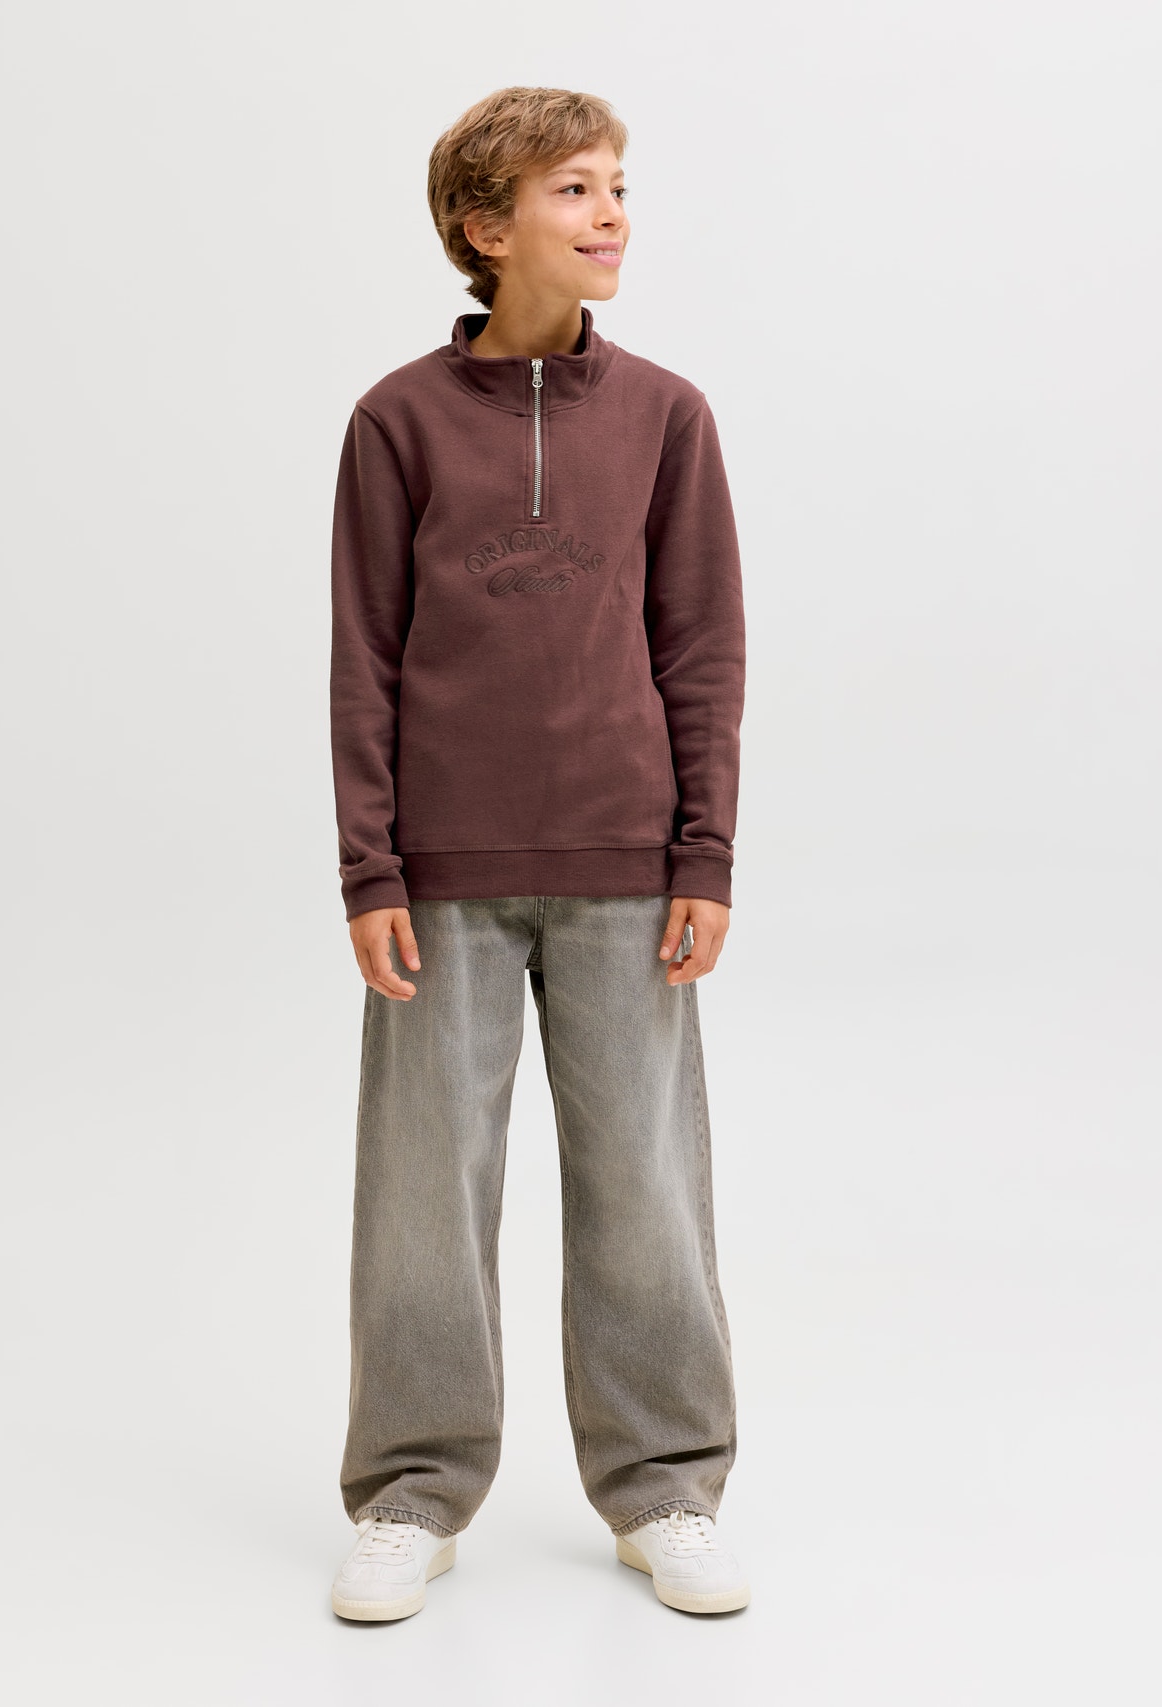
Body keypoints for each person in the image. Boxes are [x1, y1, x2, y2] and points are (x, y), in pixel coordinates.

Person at [328, 86, 749, 1621]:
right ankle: (411, 1494)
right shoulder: (396, 421)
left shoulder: (667, 417)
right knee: (424, 1194)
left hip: (629, 865)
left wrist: (704, 851)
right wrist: (370, 867)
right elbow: (363, 657)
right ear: (484, 226)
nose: (613, 211)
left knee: (642, 1182)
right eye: (575, 188)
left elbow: (700, 644)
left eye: (619, 183)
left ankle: (666, 1488)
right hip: (440, 873)